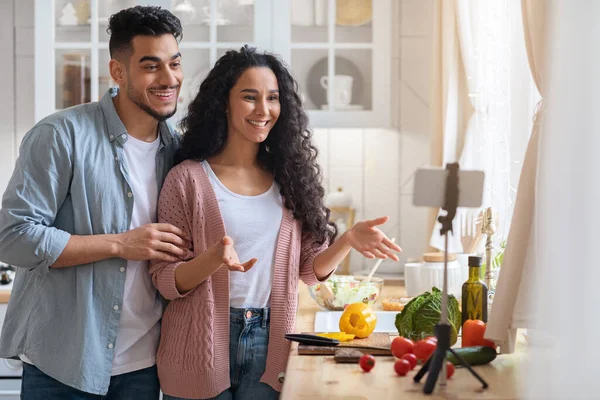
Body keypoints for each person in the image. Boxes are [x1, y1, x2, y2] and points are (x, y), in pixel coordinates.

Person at [150, 45, 403, 400]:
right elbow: (164, 279)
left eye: (272, 98)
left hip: (271, 341)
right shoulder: (186, 179)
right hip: (199, 343)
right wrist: (211, 260)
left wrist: (346, 240)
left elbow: (308, 271)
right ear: (224, 102)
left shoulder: (289, 179)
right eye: (249, 97)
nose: (263, 110)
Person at [0, 6, 187, 399]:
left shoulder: (179, 151)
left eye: (174, 63)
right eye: (151, 66)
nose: (169, 79)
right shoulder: (61, 135)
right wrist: (120, 244)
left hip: (144, 367)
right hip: (62, 366)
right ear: (118, 72)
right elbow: (13, 237)